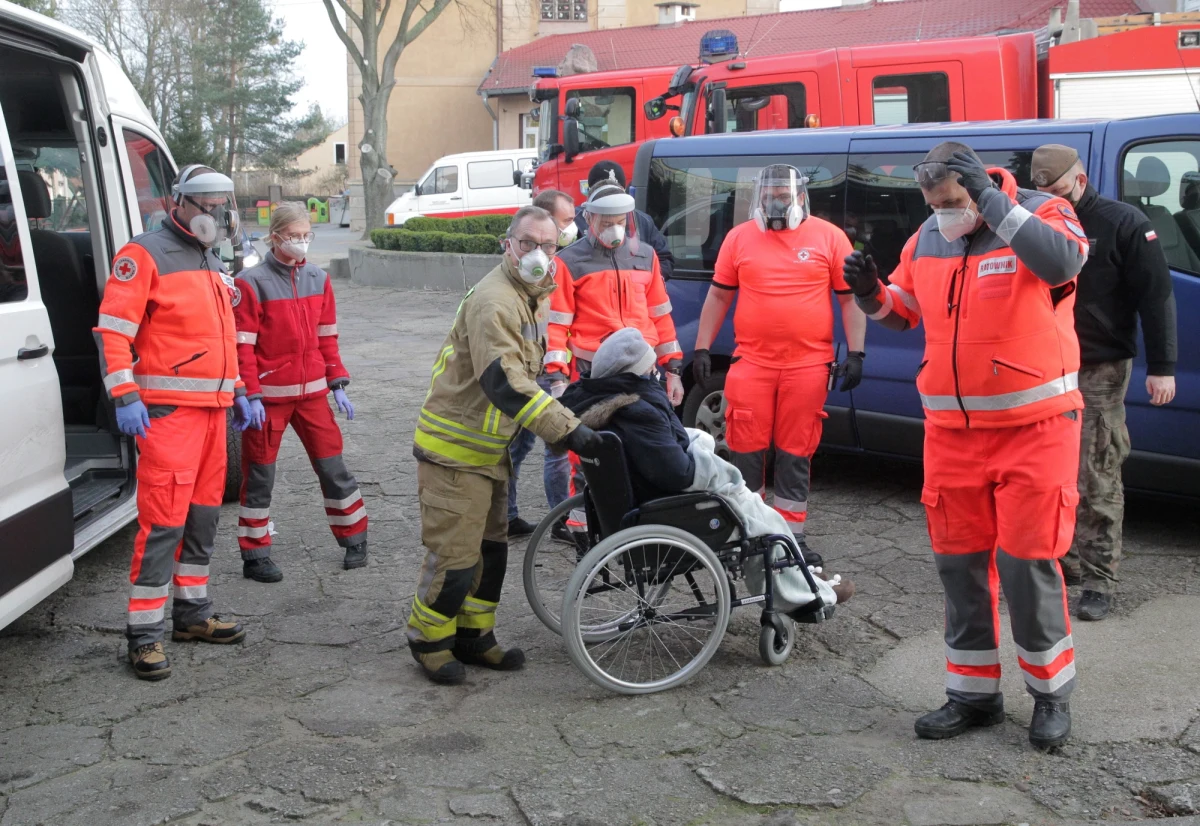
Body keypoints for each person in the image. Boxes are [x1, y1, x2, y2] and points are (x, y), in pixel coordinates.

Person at [842, 141, 1087, 749]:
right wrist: (872, 293)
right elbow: (905, 311)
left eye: (953, 201)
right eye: (933, 204)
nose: (943, 214)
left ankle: (1050, 695)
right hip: (952, 435)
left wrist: (992, 202)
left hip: (1035, 428)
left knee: (1028, 565)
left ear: (976, 186)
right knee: (960, 567)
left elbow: (1062, 265)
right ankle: (971, 696)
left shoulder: (1040, 213)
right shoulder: (928, 234)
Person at [407, 205, 604, 685]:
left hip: (486, 451)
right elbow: (506, 382)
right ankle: (428, 639)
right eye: (527, 244)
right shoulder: (496, 300)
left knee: (491, 553)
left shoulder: (531, 294)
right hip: (454, 452)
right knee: (456, 559)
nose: (538, 254)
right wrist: (567, 429)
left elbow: (532, 371)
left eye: (549, 245)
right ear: (507, 245)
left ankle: (474, 635)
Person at [560, 327, 854, 610]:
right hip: (668, 509)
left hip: (636, 503)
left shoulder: (602, 405)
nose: (657, 374)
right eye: (651, 369)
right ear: (635, 374)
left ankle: (801, 576)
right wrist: (702, 452)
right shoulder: (639, 412)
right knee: (763, 523)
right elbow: (679, 473)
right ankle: (802, 594)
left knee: (755, 508)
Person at [94, 165, 254, 680]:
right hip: (165, 413)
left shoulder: (210, 257)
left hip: (212, 415)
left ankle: (191, 615)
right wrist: (123, 394)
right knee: (163, 522)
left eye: (222, 203)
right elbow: (113, 330)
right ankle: (144, 635)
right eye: (204, 202)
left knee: (203, 521)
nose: (215, 212)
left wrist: (240, 390)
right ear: (177, 203)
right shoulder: (142, 254)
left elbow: (222, 334)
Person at [692, 164, 866, 567]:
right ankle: (747, 533)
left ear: (800, 198)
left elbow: (848, 300)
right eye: (769, 194)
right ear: (758, 196)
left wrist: (856, 354)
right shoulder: (739, 239)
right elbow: (718, 297)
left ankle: (790, 538)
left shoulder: (829, 237)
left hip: (808, 365)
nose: (776, 202)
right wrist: (702, 348)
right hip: (752, 362)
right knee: (745, 448)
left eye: (783, 196)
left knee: (795, 451)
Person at [1031, 144, 1178, 621]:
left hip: (1099, 364)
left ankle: (1099, 580)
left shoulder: (1123, 222)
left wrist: (1164, 367)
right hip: (1047, 365)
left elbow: (1156, 297)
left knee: (1096, 471)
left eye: (1057, 190)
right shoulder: (1032, 218)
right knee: (1050, 473)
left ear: (1081, 179)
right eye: (1043, 191)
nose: (1053, 199)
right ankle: (1064, 562)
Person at [232, 202, 368, 582]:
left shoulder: (318, 279)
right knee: (259, 477)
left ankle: (356, 537)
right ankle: (255, 554)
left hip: (312, 397)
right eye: (294, 236)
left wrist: (337, 382)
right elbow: (242, 345)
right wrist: (250, 393)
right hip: (269, 401)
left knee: (334, 468)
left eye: (307, 235)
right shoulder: (250, 283)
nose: (301, 242)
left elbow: (327, 337)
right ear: (275, 237)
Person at [548, 181, 684, 546]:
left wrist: (673, 369)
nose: (614, 227)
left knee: (646, 445)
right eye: (605, 220)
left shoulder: (646, 257)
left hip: (644, 372)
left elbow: (660, 317)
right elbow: (558, 323)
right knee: (589, 451)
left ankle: (638, 524)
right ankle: (583, 531)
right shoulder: (569, 261)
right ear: (589, 218)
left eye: (620, 219)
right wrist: (558, 378)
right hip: (593, 372)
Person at [503, 189, 577, 540]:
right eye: (566, 222)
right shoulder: (531, 273)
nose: (570, 230)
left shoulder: (554, 266)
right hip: (537, 374)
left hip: (544, 370)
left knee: (520, 448)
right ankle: (561, 520)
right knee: (551, 449)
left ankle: (509, 514)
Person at [573, 160, 674, 280]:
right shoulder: (575, 219)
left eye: (621, 222)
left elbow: (665, 259)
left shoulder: (642, 220)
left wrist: (644, 281)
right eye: (605, 223)